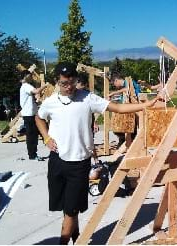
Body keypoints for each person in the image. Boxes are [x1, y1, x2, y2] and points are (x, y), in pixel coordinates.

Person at [35, 62, 161, 244]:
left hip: (79, 163)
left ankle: (64, 242)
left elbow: (117, 108)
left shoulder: (88, 98)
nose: (69, 86)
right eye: (64, 83)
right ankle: (77, 237)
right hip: (57, 161)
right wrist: (46, 137)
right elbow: (39, 118)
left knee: (71, 210)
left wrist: (146, 105)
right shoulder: (50, 102)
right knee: (67, 206)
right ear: (57, 82)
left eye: (72, 82)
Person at [19, 70, 47, 161]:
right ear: (26, 76)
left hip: (32, 114)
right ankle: (32, 155)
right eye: (30, 76)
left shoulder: (25, 87)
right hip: (29, 115)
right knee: (31, 135)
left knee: (34, 134)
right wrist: (45, 86)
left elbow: (34, 95)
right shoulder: (26, 86)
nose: (31, 78)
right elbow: (36, 91)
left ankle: (33, 153)